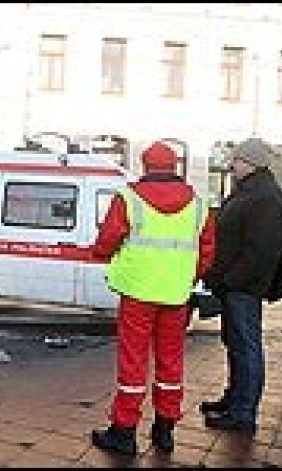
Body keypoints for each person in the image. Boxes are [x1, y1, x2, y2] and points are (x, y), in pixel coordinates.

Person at [90, 141, 216, 455]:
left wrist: (103, 254)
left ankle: (125, 432)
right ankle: (165, 429)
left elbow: (108, 239)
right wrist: (188, 276)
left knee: (133, 362)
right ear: (176, 167)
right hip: (176, 295)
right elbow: (207, 252)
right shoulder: (199, 204)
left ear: (145, 166)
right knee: (171, 361)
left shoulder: (128, 198)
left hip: (137, 293)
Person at [201, 137, 282, 436]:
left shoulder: (266, 197)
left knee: (246, 347)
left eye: (236, 159)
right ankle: (234, 400)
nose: (231, 164)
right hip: (233, 286)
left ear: (251, 162)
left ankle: (243, 412)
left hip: (243, 288)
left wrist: (230, 280)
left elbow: (261, 251)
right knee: (235, 344)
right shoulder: (249, 192)